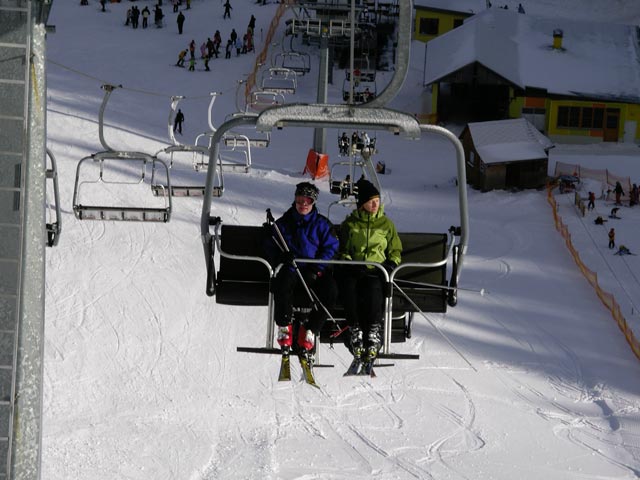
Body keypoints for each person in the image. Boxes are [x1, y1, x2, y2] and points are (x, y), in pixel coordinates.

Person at [264, 182, 339, 357]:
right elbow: (270, 245)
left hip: (314, 272)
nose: (303, 204)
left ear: (313, 202)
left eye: (307, 200)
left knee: (331, 291)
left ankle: (310, 330)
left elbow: (331, 248)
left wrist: (317, 268)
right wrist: (280, 258)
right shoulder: (285, 222)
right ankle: (284, 326)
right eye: (299, 200)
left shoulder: (321, 224)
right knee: (282, 284)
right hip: (291, 268)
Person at [337, 178, 402, 364]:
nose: (374, 204)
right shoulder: (350, 224)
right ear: (361, 203)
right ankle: (354, 328)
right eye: (370, 201)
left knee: (373, 289)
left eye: (377, 200)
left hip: (376, 270)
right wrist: (349, 263)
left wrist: (391, 263)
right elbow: (343, 250)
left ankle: (373, 331)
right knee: (349, 287)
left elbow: (395, 249)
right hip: (355, 270)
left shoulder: (386, 225)